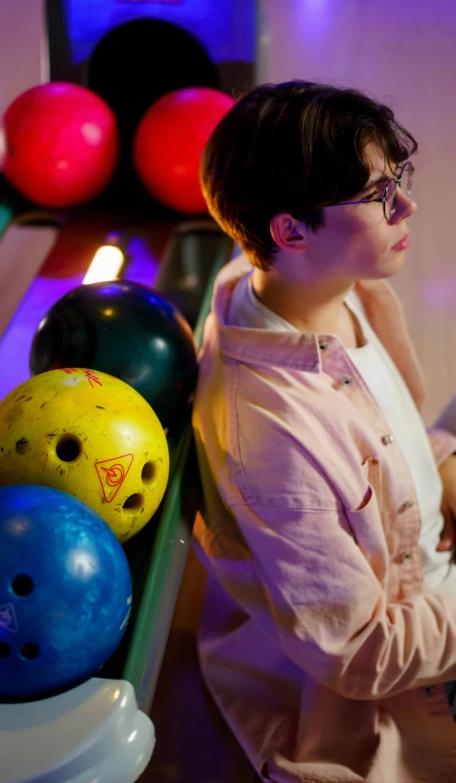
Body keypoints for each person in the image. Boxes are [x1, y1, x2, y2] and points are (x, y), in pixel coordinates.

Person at [191, 80, 456, 783]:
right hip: (408, 664)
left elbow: (397, 435)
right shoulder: (271, 438)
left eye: (399, 177)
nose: (408, 206)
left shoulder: (333, 285)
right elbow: (360, 651)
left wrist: (446, 467)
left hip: (428, 554)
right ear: (290, 231)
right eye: (378, 195)